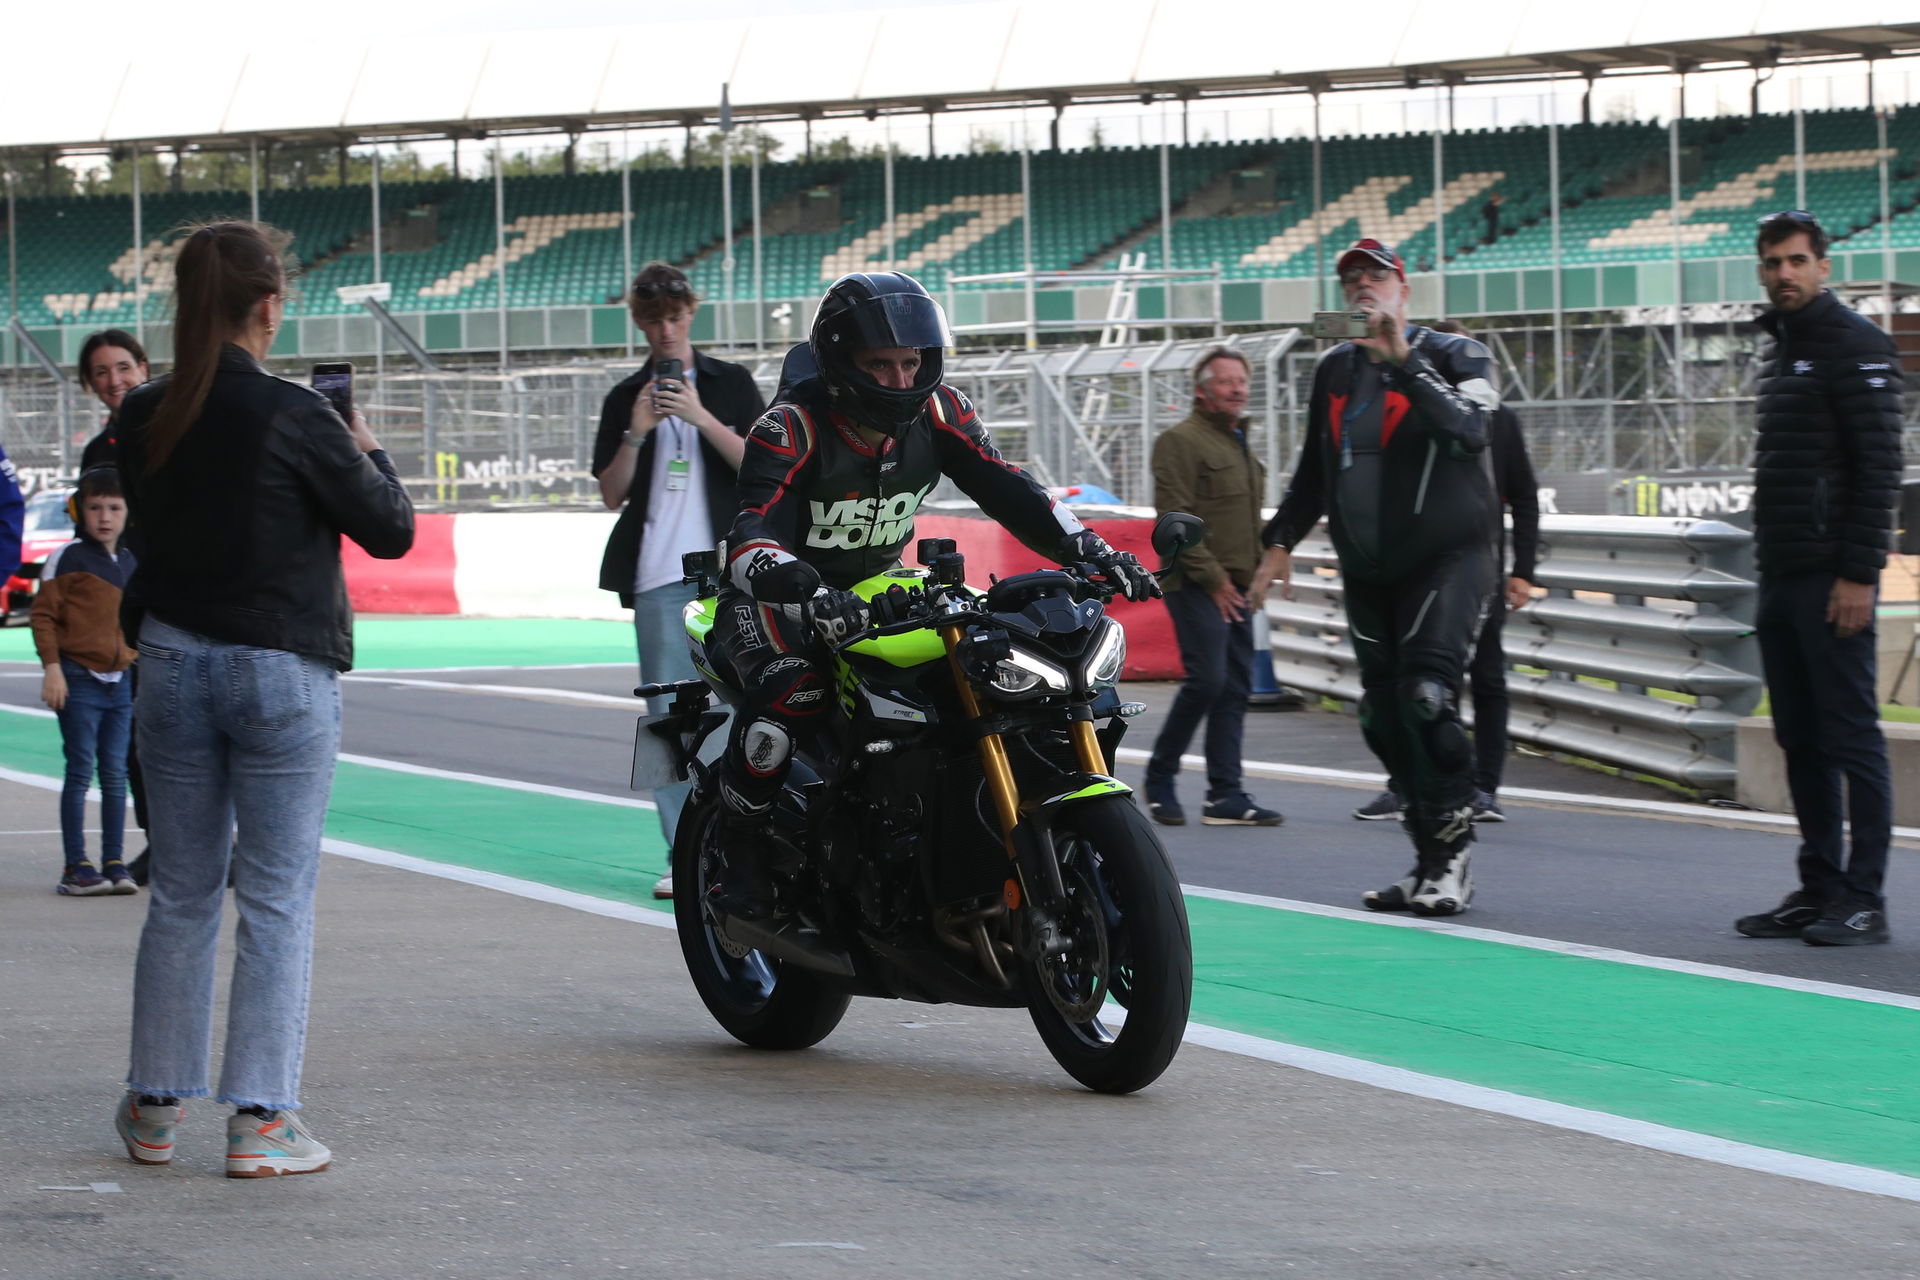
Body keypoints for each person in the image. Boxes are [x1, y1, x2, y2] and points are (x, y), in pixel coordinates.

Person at [709, 271, 1158, 918]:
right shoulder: (791, 428)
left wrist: (1094, 551)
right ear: (841, 364)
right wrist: (798, 585)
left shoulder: (942, 410)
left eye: (910, 361)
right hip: (778, 598)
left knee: (983, 662)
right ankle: (740, 852)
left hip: (882, 583)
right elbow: (748, 531)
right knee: (793, 687)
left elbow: (1012, 489)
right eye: (880, 364)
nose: (900, 379)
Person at [112, 220, 415, 1176]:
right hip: (280, 666)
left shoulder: (143, 414)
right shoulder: (296, 414)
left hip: (169, 659)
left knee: (184, 894)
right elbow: (392, 531)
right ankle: (262, 1123)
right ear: (271, 307)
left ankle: (155, 1109)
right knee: (276, 899)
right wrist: (364, 446)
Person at [1250, 239, 1499, 917]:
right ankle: (1427, 861)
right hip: (1370, 570)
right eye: (1352, 278)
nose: (1363, 286)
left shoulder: (1457, 355)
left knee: (1427, 697)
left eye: (1375, 275)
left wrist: (1406, 363)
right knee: (1384, 716)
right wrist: (1278, 543)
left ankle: (1454, 859)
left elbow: (1472, 431)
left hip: (1451, 558)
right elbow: (1313, 472)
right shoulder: (1333, 369)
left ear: (1403, 288)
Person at [1735, 210, 1902, 947]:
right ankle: (1820, 886)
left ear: (1823, 267)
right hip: (1781, 572)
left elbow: (1880, 469)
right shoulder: (1782, 348)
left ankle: (1865, 898)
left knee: (1852, 737)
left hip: (1834, 578)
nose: (1784, 275)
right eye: (1772, 263)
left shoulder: (1856, 345)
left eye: (1797, 261)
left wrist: (1859, 575)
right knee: (1799, 739)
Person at [592, 261, 765, 900]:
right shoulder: (625, 397)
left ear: (691, 314)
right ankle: (682, 851)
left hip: (731, 574)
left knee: (742, 708)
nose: (666, 331)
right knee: (668, 719)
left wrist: (698, 416)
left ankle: (745, 844)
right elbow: (612, 493)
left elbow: (759, 466)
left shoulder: (730, 383)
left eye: (675, 318)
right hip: (660, 576)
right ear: (640, 322)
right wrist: (639, 432)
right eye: (654, 321)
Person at [1352, 319, 1539, 824]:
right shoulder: (1408, 411)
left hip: (1480, 570)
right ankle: (1409, 786)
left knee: (1487, 677)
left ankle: (1485, 788)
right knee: (1417, 685)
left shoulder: (1498, 420)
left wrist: (1521, 569)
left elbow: (1523, 497)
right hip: (1420, 570)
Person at [1141, 346, 1284, 828]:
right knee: (1209, 680)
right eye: (1226, 382)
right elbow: (1175, 518)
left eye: (1242, 381)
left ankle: (1226, 794)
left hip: (1239, 584)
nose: (1238, 389)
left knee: (1236, 687)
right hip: (1197, 581)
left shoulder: (1239, 442)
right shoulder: (1179, 441)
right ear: (1201, 390)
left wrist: (1263, 565)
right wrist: (1216, 579)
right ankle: (1160, 778)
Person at [33, 468, 138, 896]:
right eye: (94, 508)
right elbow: (42, 616)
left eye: (114, 508)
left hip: (122, 681)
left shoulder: (132, 562)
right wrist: (53, 667)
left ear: (129, 512)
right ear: (80, 511)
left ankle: (114, 861)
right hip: (78, 677)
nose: (104, 517)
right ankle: (75, 865)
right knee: (80, 771)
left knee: (115, 773)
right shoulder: (68, 558)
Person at [77, 329, 151, 470]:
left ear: (143, 370)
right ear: (90, 381)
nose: (114, 381)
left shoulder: (174, 431)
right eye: (102, 372)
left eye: (123, 368)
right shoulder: (95, 452)